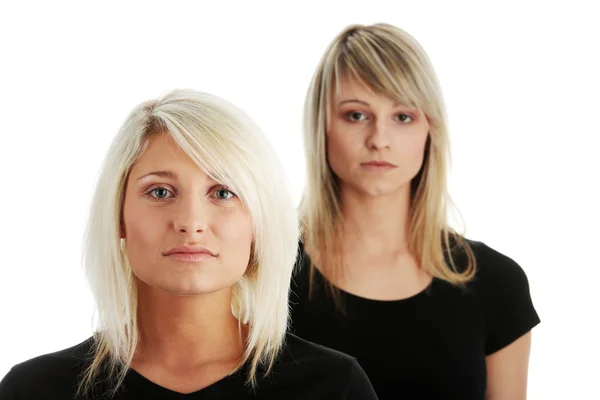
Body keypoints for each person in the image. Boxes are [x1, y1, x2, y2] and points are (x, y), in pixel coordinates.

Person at [0, 89, 378, 399]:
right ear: (118, 215)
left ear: (259, 221)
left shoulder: (334, 387)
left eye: (223, 192)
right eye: (160, 191)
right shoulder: (33, 391)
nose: (191, 223)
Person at [289, 23, 540, 400]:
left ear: (429, 130)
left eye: (402, 117)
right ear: (321, 126)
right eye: (356, 115)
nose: (379, 140)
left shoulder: (496, 284)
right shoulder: (265, 275)